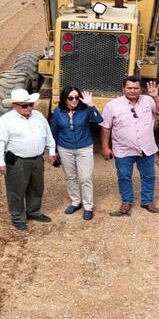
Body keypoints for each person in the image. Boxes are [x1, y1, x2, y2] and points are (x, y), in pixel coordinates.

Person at [100, 76, 159, 216]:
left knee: (148, 176)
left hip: (146, 148)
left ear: (140, 89)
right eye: (129, 88)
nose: (132, 91)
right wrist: (105, 147)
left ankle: (147, 201)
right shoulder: (112, 105)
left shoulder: (149, 100)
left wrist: (156, 97)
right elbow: (106, 127)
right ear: (123, 89)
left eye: (136, 88)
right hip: (123, 149)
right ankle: (126, 202)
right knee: (124, 176)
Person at [0, 88, 57, 230]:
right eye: (24, 105)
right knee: (16, 190)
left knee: (36, 187)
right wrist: (0, 162)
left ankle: (33, 211)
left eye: (30, 104)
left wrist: (52, 151)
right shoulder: (5, 121)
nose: (28, 108)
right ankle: (17, 217)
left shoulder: (39, 116)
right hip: (17, 161)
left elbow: (48, 134)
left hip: (37, 159)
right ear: (15, 105)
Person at [49, 86, 103, 221]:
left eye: (76, 97)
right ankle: (75, 202)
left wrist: (90, 105)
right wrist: (54, 150)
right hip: (65, 148)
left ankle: (88, 206)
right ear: (64, 99)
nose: (74, 100)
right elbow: (54, 131)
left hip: (84, 148)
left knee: (85, 178)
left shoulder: (85, 110)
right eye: (70, 98)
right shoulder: (58, 112)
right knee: (70, 177)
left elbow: (98, 120)